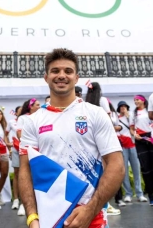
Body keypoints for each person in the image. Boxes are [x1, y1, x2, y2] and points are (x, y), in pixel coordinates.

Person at [18, 48, 125, 228]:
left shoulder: (95, 114)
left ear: (76, 78)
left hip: (91, 216)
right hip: (50, 217)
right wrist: (32, 217)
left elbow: (117, 165)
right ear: (46, 77)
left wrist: (90, 209)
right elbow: (25, 170)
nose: (61, 75)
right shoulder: (32, 121)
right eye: (55, 71)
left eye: (68, 71)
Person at [85, 82, 121, 215]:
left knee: (96, 172)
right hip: (104, 139)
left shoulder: (86, 103)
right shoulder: (103, 100)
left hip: (91, 141)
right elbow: (109, 118)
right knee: (107, 170)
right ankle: (105, 204)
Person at [130, 94, 153, 206]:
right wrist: (135, 135)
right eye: (134, 100)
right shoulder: (133, 113)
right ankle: (150, 195)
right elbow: (132, 129)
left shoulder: (151, 111)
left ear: (143, 101)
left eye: (137, 100)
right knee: (145, 167)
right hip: (141, 140)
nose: (136, 101)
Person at [117, 101, 147, 203]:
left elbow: (133, 128)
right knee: (124, 171)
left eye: (125, 106)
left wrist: (128, 116)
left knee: (136, 170)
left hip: (133, 145)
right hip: (122, 146)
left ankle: (139, 194)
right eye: (121, 107)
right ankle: (128, 194)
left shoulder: (131, 117)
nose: (123, 108)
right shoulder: (116, 118)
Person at [16, 98, 40, 216]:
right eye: (37, 104)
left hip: (40, 152)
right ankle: (22, 204)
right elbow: (19, 133)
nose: (39, 106)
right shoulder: (23, 118)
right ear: (30, 106)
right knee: (26, 177)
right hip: (28, 151)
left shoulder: (41, 116)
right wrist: (28, 147)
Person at [0, 108, 12, 206]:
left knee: (4, 173)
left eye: (0, 114)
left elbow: (5, 137)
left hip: (3, 150)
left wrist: (9, 147)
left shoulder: (3, 125)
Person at [6, 106, 22, 210]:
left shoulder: (28, 120)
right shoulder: (12, 122)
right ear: (15, 113)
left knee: (27, 175)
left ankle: (24, 201)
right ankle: (16, 200)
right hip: (16, 149)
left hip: (27, 150)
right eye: (19, 111)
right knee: (16, 174)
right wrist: (8, 145)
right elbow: (5, 133)